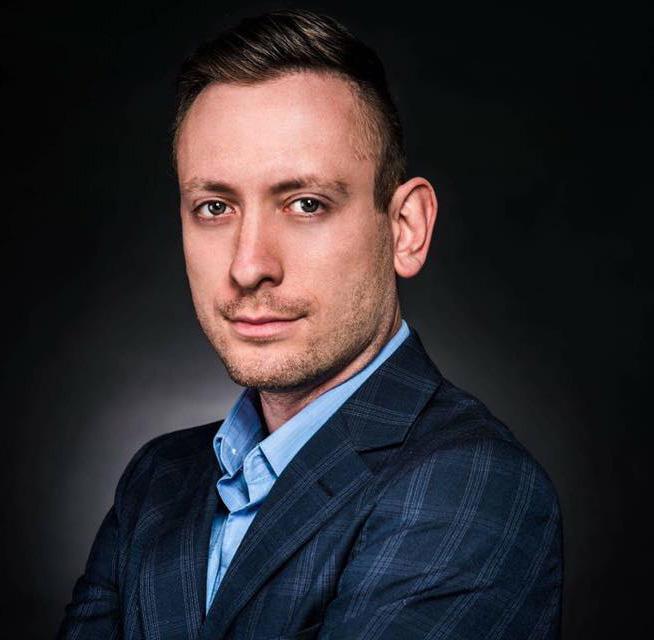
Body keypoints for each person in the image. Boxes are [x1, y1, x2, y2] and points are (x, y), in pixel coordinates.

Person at [57, 8, 563, 639]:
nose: (248, 266)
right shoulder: (157, 480)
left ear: (405, 229)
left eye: (305, 204)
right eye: (214, 207)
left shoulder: (474, 484)